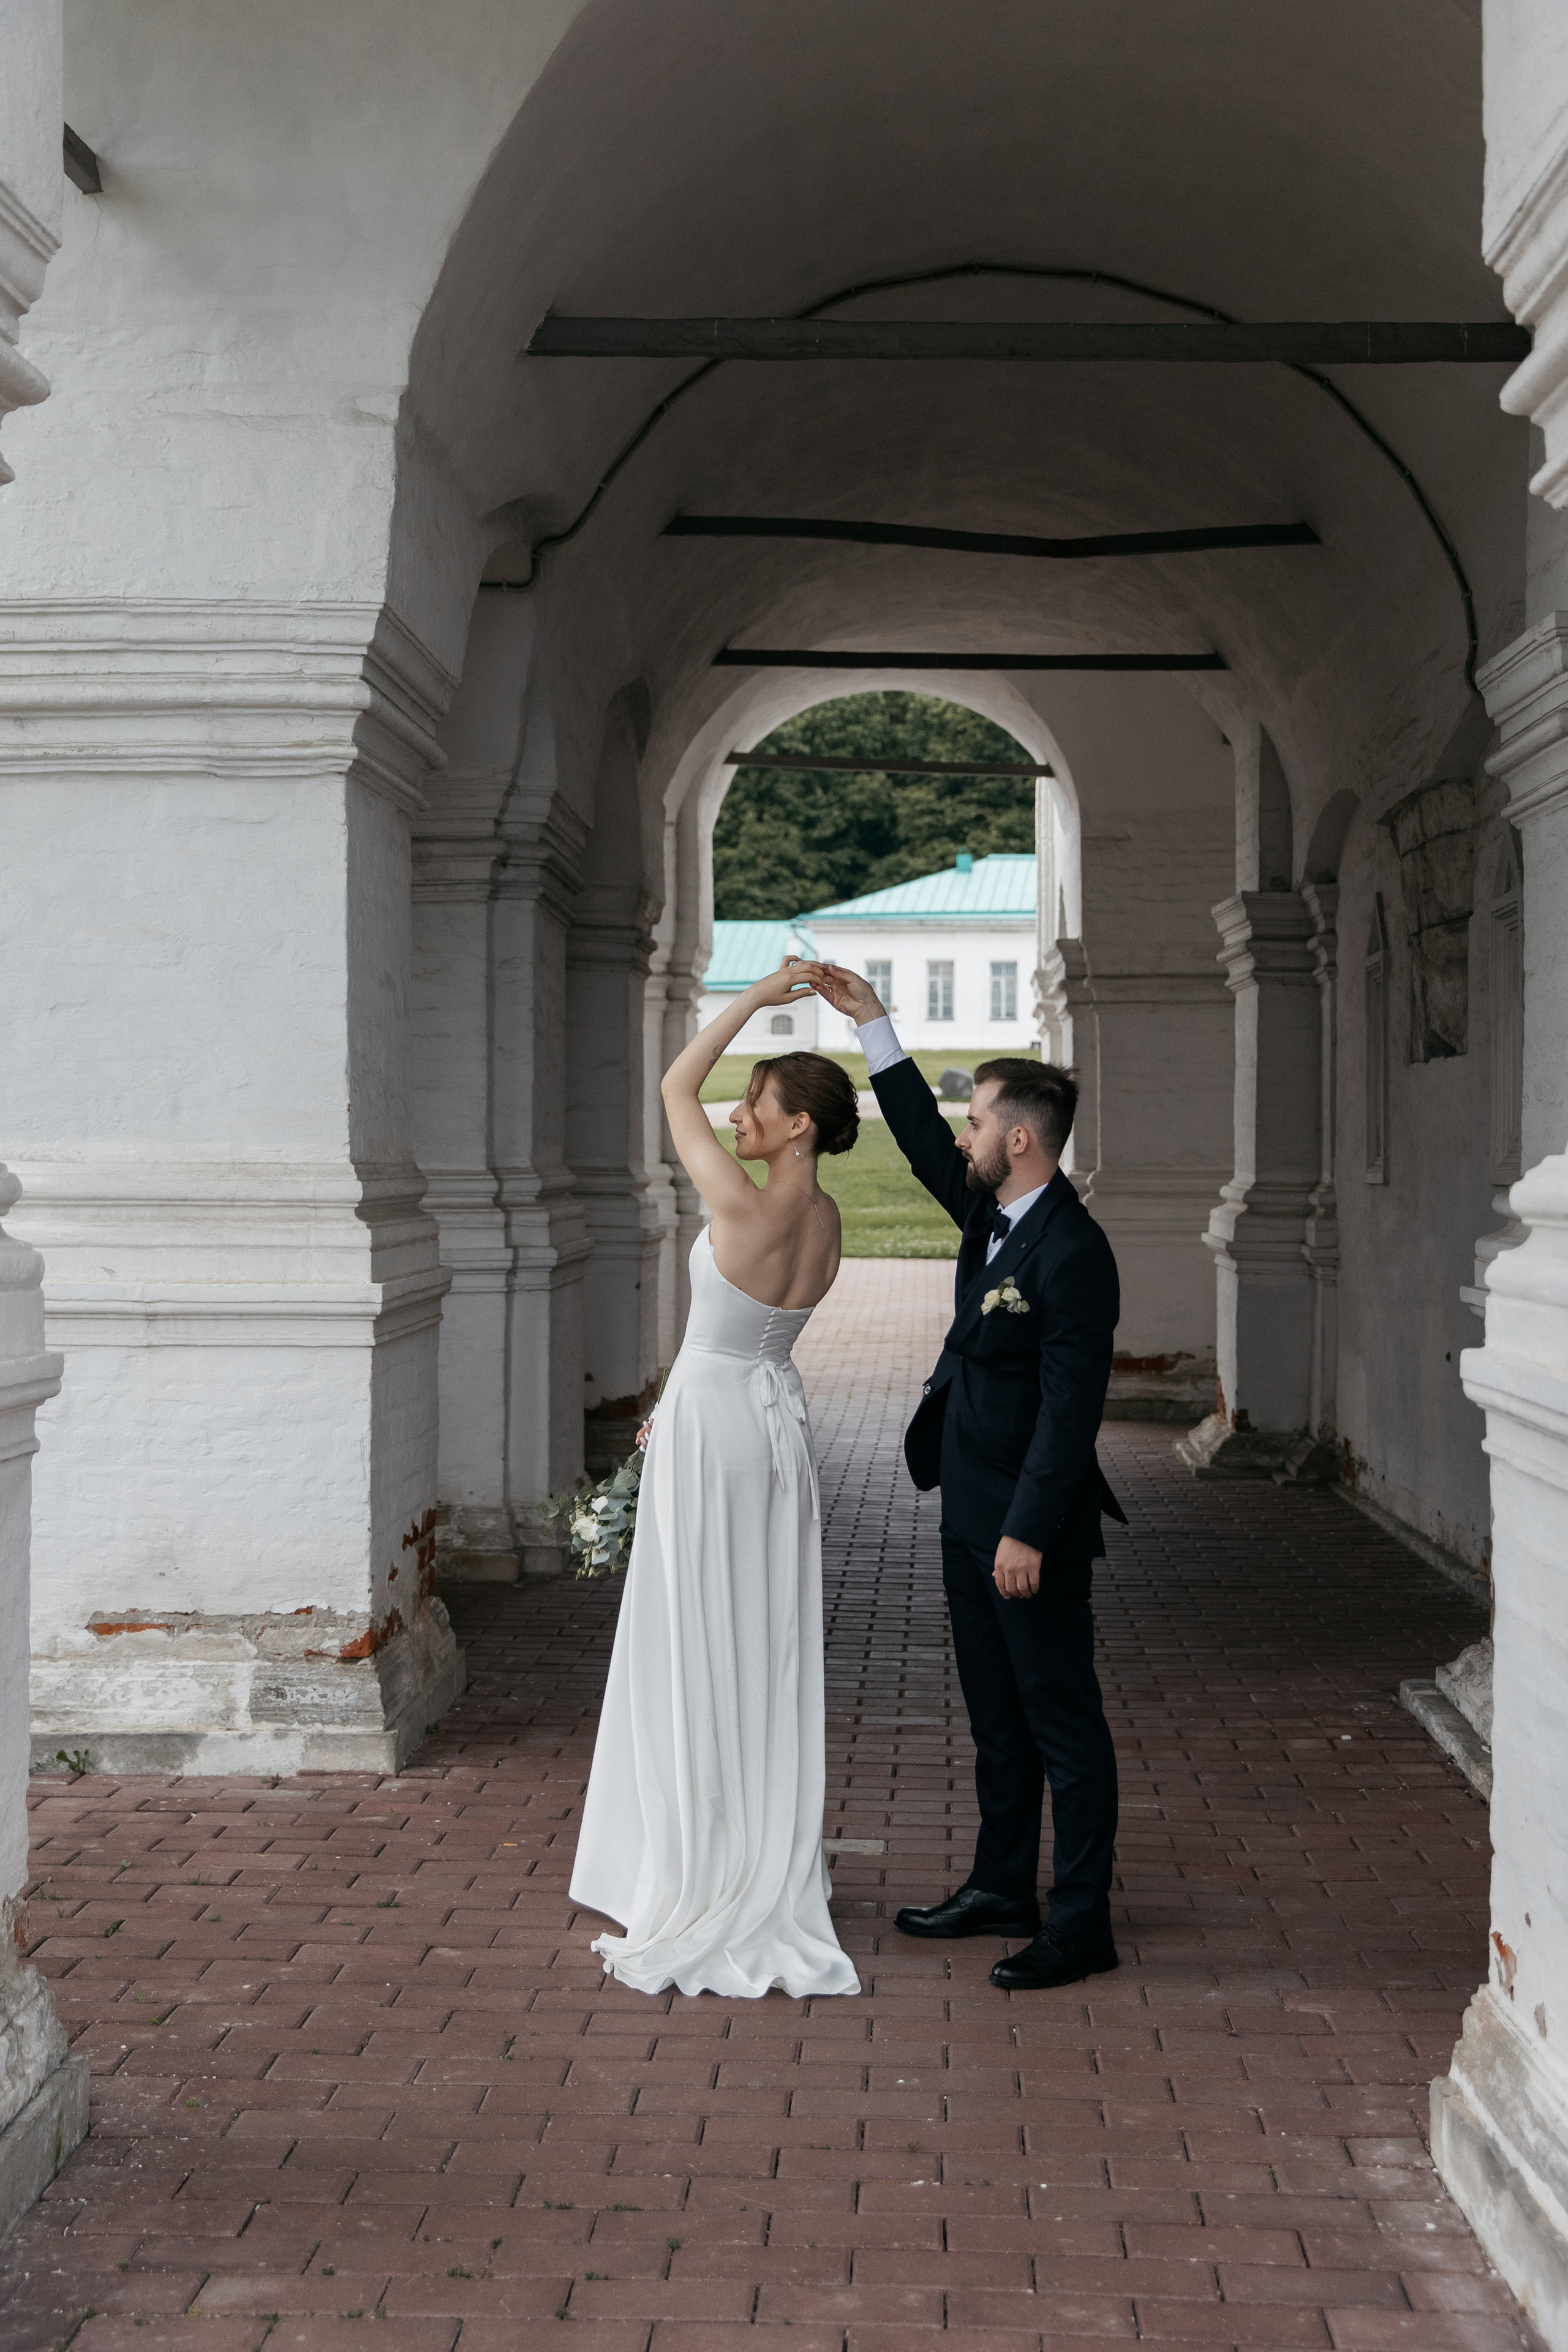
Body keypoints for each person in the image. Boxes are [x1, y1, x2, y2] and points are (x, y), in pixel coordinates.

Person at [809, 962, 1125, 1992]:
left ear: (1018, 1139)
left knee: (1058, 1718)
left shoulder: (1072, 1252)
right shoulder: (992, 1216)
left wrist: (1028, 1530)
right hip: (966, 1506)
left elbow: (1073, 1412)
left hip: (1026, 1528)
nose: (965, 1135)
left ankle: (1080, 1922)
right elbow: (913, 1142)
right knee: (996, 1714)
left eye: (978, 1120)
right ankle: (1002, 1886)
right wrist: (877, 1028)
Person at [570, 956, 863, 1999]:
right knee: (762, 1640)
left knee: (694, 1632)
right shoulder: (827, 1226)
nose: (740, 1114)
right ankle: (758, 1845)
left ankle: (691, 1854)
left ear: (800, 1130)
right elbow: (761, 1339)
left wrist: (750, 1002)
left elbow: (672, 1088)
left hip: (713, 1420)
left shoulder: (740, 1206)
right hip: (774, 1431)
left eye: (762, 1104)